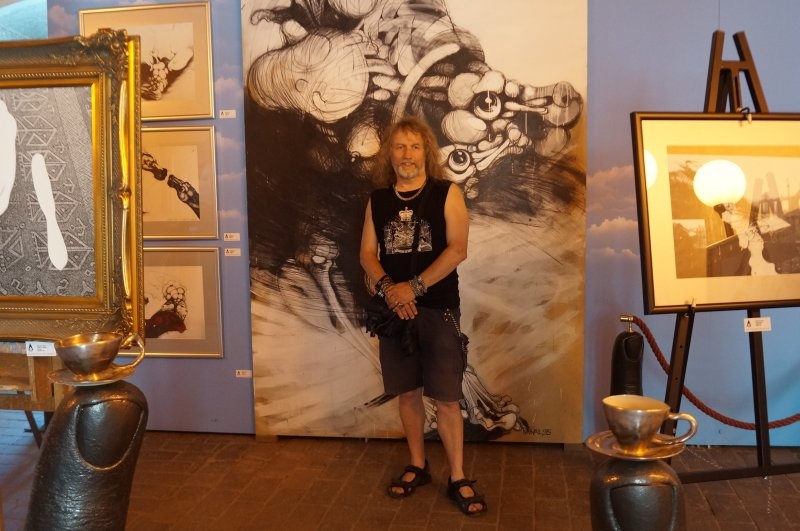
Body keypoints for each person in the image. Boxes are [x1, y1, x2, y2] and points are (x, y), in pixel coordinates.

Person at [359, 115, 486, 516]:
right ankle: (418, 464)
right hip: (394, 311)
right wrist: (389, 289)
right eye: (399, 147)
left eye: (414, 147)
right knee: (408, 392)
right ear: (389, 154)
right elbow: (367, 254)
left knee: (446, 397)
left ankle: (458, 476)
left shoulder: (447, 193)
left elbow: (458, 249)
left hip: (438, 308)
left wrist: (411, 288)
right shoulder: (378, 200)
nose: (407, 154)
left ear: (426, 152)